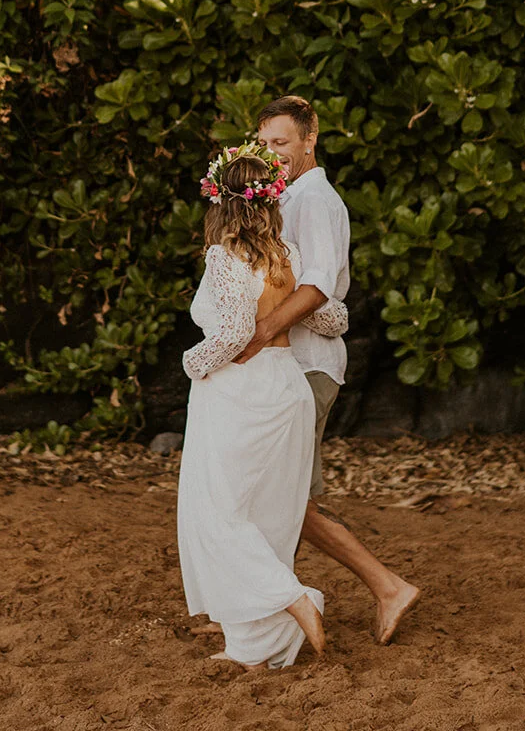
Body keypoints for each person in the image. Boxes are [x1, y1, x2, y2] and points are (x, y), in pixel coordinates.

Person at [236, 95, 421, 645]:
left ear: (310, 140)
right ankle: (280, 612)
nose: (272, 154)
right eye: (264, 144)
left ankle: (382, 587)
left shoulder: (315, 200)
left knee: (286, 496)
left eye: (283, 143)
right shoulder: (285, 197)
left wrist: (263, 333)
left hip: (310, 366)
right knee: (287, 495)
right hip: (290, 364)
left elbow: (316, 287)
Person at [176, 146, 350, 669]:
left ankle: (292, 598)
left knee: (219, 513)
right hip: (287, 387)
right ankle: (254, 647)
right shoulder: (290, 256)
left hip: (241, 393)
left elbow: (231, 333)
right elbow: (333, 317)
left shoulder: (224, 257)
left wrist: (191, 362)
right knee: (269, 515)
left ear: (220, 203)